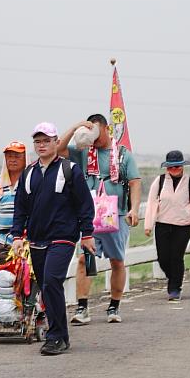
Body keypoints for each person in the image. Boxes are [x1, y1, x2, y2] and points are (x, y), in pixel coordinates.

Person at [10, 122, 96, 356]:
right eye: (37, 141)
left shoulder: (70, 170)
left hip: (63, 237)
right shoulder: (28, 173)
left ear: (56, 142)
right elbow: (20, 209)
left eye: (46, 141)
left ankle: (55, 335)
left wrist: (87, 233)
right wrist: (17, 236)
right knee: (47, 288)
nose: (41, 145)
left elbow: (85, 206)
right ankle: (61, 335)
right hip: (37, 239)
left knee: (51, 281)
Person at [58, 114, 142, 324]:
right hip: (91, 215)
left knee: (117, 261)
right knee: (84, 259)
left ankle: (114, 307)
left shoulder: (123, 155)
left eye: (96, 131)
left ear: (106, 129)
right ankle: (82, 308)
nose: (94, 137)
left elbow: (134, 182)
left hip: (118, 214)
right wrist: (78, 126)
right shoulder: (85, 152)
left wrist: (134, 208)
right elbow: (58, 149)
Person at [144, 150, 190, 301]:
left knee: (176, 257)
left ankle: (175, 288)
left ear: (182, 166)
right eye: (171, 167)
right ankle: (174, 279)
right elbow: (151, 203)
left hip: (183, 225)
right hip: (163, 223)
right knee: (163, 258)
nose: (174, 170)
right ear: (166, 167)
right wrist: (148, 225)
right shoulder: (160, 181)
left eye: (177, 166)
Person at [0, 141, 26, 263]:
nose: (12, 160)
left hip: (25, 240)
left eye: (17, 156)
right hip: (3, 240)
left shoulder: (31, 180)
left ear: (25, 158)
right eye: (9, 156)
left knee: (25, 278)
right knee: (2, 278)